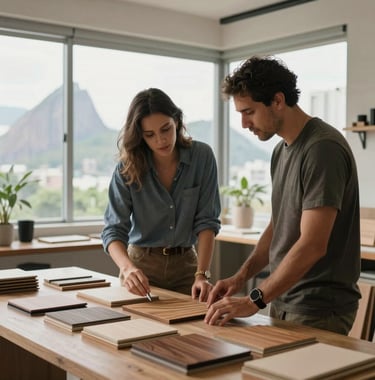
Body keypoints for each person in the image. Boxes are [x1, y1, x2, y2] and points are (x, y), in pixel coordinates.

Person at [205, 56, 361, 335]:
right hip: (284, 298)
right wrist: (241, 278)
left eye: (249, 111)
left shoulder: (322, 148)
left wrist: (254, 300)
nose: (243, 123)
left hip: (317, 308)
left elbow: (313, 244)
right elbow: (279, 226)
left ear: (277, 100)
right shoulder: (281, 150)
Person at [101, 88, 221, 302]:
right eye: (150, 135)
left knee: (194, 333)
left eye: (166, 129)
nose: (161, 140)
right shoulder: (126, 168)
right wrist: (128, 269)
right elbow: (113, 231)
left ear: (177, 121)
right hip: (141, 268)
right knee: (140, 332)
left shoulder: (202, 157)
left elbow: (207, 222)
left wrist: (202, 274)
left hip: (187, 266)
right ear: (140, 135)